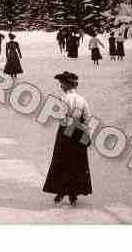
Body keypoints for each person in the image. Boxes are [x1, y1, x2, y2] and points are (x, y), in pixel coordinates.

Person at [43, 71, 92, 207]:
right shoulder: (82, 100)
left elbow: (60, 117)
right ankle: (73, 193)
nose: (60, 86)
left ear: (66, 85)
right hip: (79, 133)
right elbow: (87, 118)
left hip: (65, 133)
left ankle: (61, 191)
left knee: (62, 162)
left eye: (61, 84)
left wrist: (68, 125)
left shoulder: (62, 99)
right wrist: (83, 131)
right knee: (77, 163)